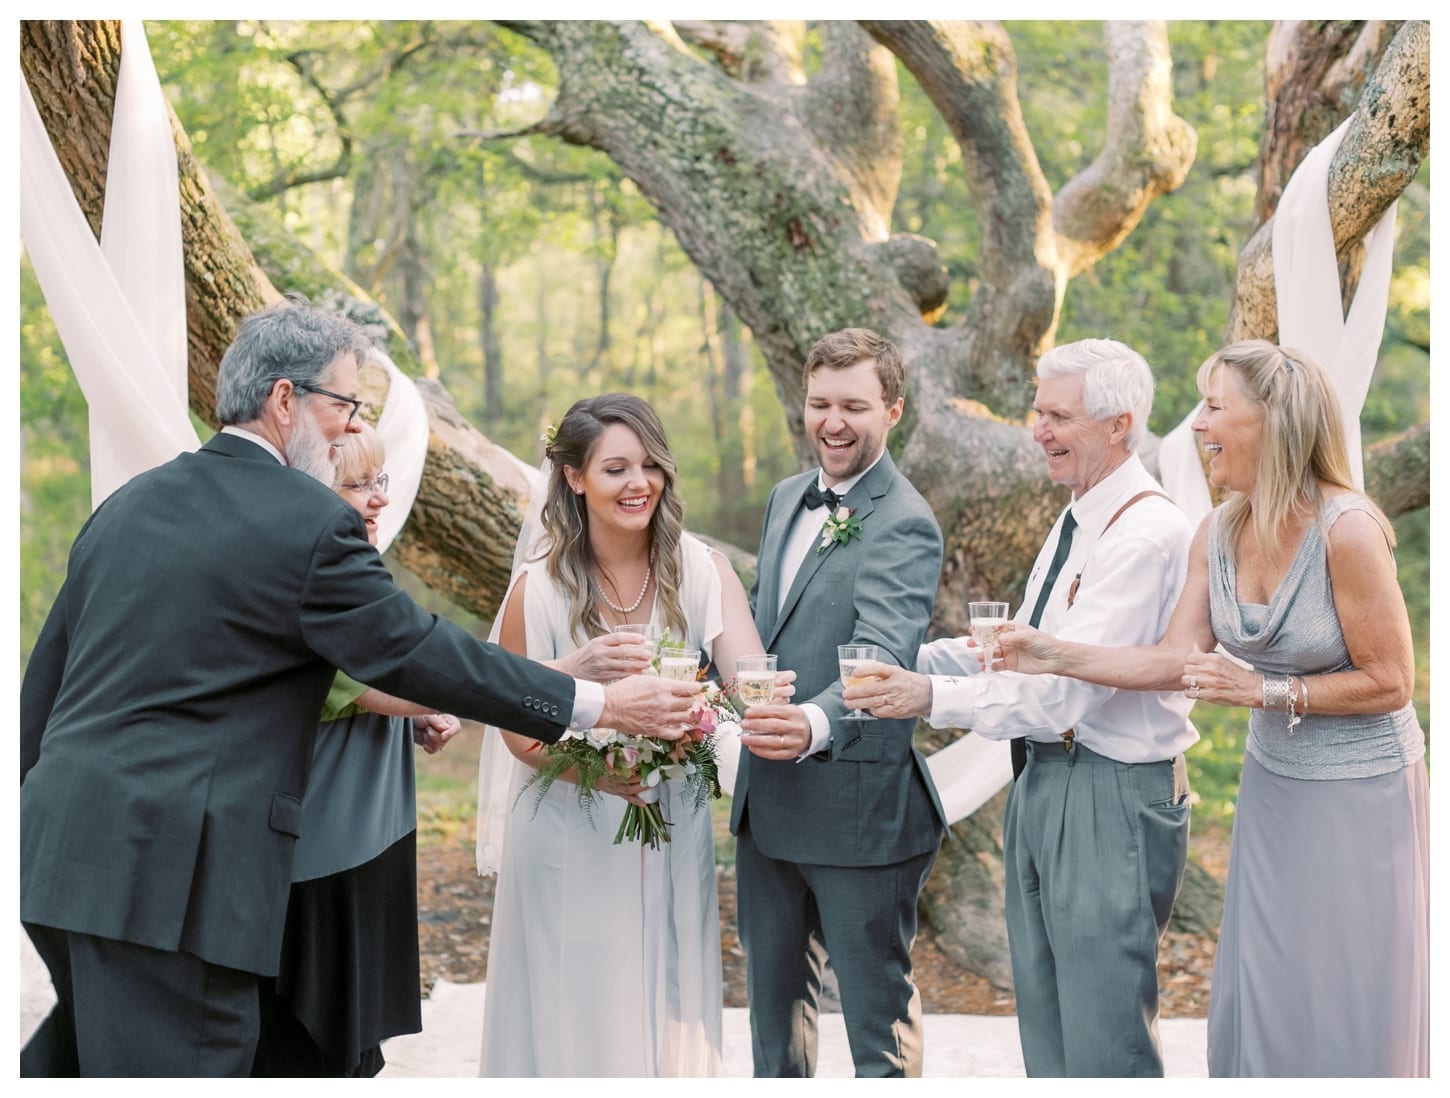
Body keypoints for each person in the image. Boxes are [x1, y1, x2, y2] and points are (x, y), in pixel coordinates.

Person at [19, 298, 702, 1078]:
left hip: (59, 859)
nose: (351, 426)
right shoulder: (306, 522)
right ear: (285, 401)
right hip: (176, 883)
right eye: (345, 404)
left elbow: (45, 690)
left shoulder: (127, 506)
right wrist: (600, 703)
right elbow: (415, 650)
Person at [997, 340, 1429, 1077]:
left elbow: (1393, 680)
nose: (1197, 425)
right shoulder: (1218, 531)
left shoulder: (1348, 531)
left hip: (1365, 794)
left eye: (1216, 406)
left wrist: (1266, 690)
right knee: (1268, 983)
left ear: (1275, 421)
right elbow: (1174, 658)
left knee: (1346, 985)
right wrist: (1053, 651)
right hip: (1274, 788)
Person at [843, 338, 1196, 1077]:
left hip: (1109, 795)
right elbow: (1017, 654)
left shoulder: (1143, 534)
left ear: (1119, 425)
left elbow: (1062, 691)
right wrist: (909, 660)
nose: (1037, 429)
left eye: (1057, 415)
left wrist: (928, 695)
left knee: (1104, 1041)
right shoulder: (1076, 519)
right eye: (1038, 412)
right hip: (1043, 779)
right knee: (1048, 1025)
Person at [478, 393, 775, 1077]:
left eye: (649, 465)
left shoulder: (702, 570)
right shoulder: (540, 590)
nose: (637, 483)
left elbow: (745, 683)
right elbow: (516, 730)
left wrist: (714, 721)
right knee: (572, 997)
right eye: (615, 468)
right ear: (575, 478)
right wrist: (600, 771)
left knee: (670, 989)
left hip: (671, 818)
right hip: (566, 826)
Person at [729, 327, 946, 1078]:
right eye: (820, 402)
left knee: (876, 1036)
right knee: (773, 1038)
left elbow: (883, 658)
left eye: (853, 405)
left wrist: (815, 721)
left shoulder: (907, 521)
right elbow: (765, 630)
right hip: (768, 809)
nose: (832, 421)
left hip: (861, 816)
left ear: (893, 409)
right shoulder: (787, 497)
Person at [252, 423, 461, 1077]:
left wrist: (413, 718)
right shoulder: (302, 579)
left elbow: (382, 686)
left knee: (356, 1042)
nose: (377, 500)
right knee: (312, 1042)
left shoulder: (366, 575)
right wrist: (425, 701)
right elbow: (368, 679)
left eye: (380, 481)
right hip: (320, 853)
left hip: (375, 836)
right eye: (356, 485)